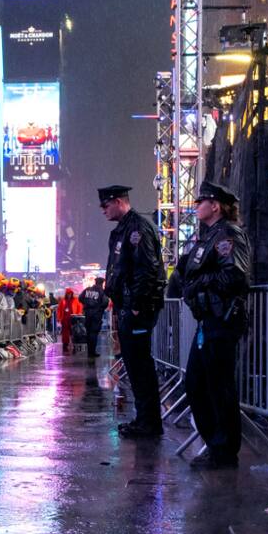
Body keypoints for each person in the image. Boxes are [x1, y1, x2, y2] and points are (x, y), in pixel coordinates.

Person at [177, 182, 251, 470]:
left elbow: (235, 274)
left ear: (215, 206)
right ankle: (215, 445)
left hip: (222, 319)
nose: (196, 206)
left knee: (218, 387)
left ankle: (224, 451)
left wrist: (200, 285)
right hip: (209, 320)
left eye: (201, 202)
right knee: (196, 384)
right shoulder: (208, 237)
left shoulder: (228, 234)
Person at [100, 185, 167, 437]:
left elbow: (146, 269)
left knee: (140, 365)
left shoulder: (137, 228)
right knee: (134, 365)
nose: (103, 211)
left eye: (106, 205)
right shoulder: (122, 230)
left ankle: (149, 422)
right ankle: (144, 419)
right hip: (127, 306)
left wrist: (137, 306)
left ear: (118, 202)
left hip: (137, 307)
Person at [80, 277, 109, 358]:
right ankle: (92, 352)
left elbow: (80, 298)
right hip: (96, 315)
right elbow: (105, 302)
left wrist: (86, 304)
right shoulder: (101, 291)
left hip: (87, 314)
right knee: (94, 333)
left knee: (88, 332)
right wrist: (100, 308)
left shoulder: (87, 289)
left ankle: (89, 352)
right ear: (101, 283)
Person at [56, 287, 82, 352]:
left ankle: (74, 345)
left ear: (72, 294)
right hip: (65, 320)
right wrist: (59, 318)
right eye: (68, 294)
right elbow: (59, 310)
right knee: (65, 334)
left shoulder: (76, 300)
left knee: (74, 333)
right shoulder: (63, 301)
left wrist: (78, 315)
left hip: (73, 319)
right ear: (66, 294)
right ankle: (65, 345)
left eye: (70, 293)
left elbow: (80, 307)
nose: (69, 295)